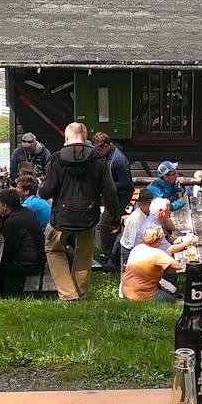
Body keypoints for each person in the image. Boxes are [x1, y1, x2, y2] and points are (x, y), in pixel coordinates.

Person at [38, 121, 118, 301]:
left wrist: (42, 186)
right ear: (85, 137)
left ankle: (68, 294)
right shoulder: (98, 158)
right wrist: (115, 217)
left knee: (53, 249)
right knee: (84, 254)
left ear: (66, 138)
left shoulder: (57, 158)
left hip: (62, 215)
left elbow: (46, 192)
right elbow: (110, 191)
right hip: (88, 215)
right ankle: (79, 292)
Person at [0, 187, 46, 295]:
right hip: (39, 258)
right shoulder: (25, 211)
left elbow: (10, 251)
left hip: (30, 265)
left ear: (5, 206)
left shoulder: (12, 222)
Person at [92, 131, 134, 265]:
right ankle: (112, 253)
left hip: (122, 195)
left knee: (105, 224)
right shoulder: (108, 155)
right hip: (113, 195)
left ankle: (108, 256)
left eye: (99, 150)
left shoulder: (118, 160)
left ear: (106, 146)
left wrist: (106, 186)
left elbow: (127, 184)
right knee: (110, 224)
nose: (98, 153)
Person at [122, 226, 183, 303]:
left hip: (126, 291)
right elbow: (178, 266)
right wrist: (171, 251)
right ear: (159, 239)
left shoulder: (137, 248)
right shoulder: (157, 253)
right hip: (143, 296)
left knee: (171, 289)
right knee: (174, 301)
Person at [119, 188, 155, 270]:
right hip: (130, 252)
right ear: (145, 204)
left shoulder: (145, 214)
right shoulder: (136, 220)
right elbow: (133, 243)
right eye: (150, 204)